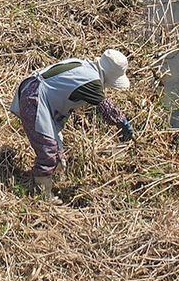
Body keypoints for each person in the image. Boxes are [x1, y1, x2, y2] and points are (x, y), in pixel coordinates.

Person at [10, 49, 136, 197]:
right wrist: (123, 124)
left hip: (34, 92)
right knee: (48, 148)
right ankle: (42, 194)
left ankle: (54, 179)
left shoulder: (83, 65)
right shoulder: (92, 82)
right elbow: (107, 108)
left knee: (57, 149)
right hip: (35, 99)